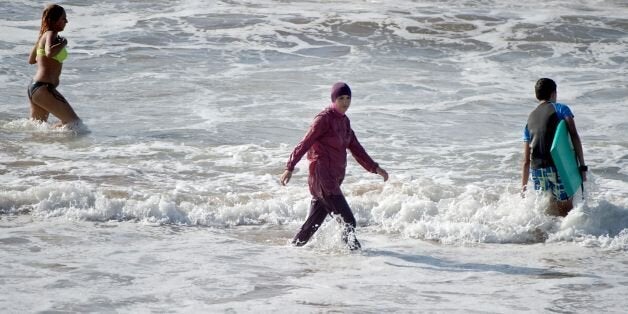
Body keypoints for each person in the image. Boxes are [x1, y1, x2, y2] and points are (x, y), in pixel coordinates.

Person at [280, 82, 389, 250]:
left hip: (334, 179)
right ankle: (356, 258)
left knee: (312, 225)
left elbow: (356, 149)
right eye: (341, 98)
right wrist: (290, 167)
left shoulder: (344, 122)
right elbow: (305, 143)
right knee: (348, 221)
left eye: (348, 98)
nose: (345, 102)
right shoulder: (323, 119)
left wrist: (375, 168)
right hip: (323, 178)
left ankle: (290, 251)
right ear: (333, 99)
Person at [521, 78, 587, 216]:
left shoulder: (529, 119)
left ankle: (546, 235)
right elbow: (574, 134)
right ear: (553, 93)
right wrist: (582, 166)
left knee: (547, 209)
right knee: (566, 211)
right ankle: (565, 237)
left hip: (537, 170)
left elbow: (526, 159)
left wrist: (524, 188)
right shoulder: (561, 109)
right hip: (557, 166)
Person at [27, 4, 80, 127]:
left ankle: (51, 145)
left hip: (35, 88)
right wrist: (63, 43)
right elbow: (50, 53)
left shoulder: (43, 36)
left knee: (38, 130)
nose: (66, 21)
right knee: (75, 123)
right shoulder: (51, 33)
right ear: (54, 21)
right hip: (44, 88)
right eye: (63, 18)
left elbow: (31, 60)